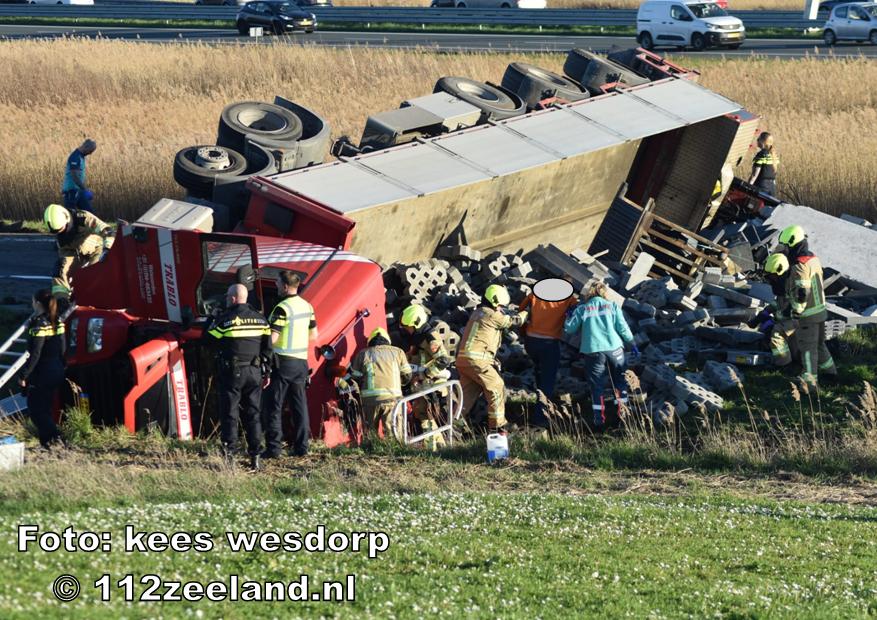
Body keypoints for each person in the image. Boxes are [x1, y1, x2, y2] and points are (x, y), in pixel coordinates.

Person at [203, 283, 271, 469]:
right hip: (255, 372)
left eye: (227, 298)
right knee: (253, 414)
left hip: (232, 373)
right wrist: (267, 370)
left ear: (233, 298)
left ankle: (230, 457)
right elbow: (268, 348)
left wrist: (212, 317)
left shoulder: (226, 320)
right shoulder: (261, 319)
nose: (226, 300)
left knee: (230, 414)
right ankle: (255, 457)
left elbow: (207, 340)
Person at [564, 280, 636, 430]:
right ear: (604, 292)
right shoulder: (612, 306)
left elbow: (569, 330)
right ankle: (623, 417)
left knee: (596, 385)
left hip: (593, 351)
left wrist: (568, 317)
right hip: (615, 349)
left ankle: (599, 420)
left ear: (589, 293)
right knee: (620, 382)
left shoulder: (582, 309)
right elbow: (623, 328)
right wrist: (632, 343)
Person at [456, 285, 528, 432]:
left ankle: (451, 424)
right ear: (495, 302)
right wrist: (526, 313)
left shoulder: (478, 312)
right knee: (496, 385)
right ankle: (498, 425)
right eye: (501, 306)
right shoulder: (490, 314)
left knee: (467, 394)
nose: (501, 309)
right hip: (476, 360)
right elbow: (512, 321)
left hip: (465, 360)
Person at [262, 270, 317, 458]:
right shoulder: (307, 307)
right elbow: (313, 335)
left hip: (283, 362)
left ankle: (274, 449)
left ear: (285, 286)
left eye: (277, 283)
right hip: (301, 362)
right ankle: (302, 448)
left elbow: (273, 338)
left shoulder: (281, 309)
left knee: (274, 406)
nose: (276, 286)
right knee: (299, 406)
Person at [777, 224, 838, 386]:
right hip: (820, 310)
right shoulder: (813, 259)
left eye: (786, 246)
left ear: (793, 243)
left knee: (808, 349)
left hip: (807, 315)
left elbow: (802, 292)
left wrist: (795, 312)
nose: (784, 250)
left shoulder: (799, 265)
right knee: (819, 344)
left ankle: (810, 381)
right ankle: (830, 373)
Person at [518, 287, 578, 429]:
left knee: (539, 372)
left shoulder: (536, 293)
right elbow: (576, 312)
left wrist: (523, 333)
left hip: (531, 341)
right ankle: (541, 417)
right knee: (548, 379)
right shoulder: (569, 298)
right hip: (549, 343)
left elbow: (521, 310)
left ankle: (539, 403)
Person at [399, 304, 454, 449]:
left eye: (408, 326)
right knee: (423, 415)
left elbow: (443, 360)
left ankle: (433, 449)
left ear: (416, 324)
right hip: (423, 385)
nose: (406, 329)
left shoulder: (430, 337)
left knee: (426, 414)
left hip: (432, 383)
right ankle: (438, 446)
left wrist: (424, 374)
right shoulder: (418, 339)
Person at [17, 289, 65, 449]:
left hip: (42, 372)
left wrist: (24, 375)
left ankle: (58, 440)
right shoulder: (58, 320)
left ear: (37, 304)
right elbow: (63, 348)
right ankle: (46, 444)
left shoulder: (38, 324)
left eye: (32, 301)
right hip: (56, 369)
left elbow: (35, 353)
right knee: (46, 408)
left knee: (36, 411)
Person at [349, 327, 412, 441]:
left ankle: (371, 452)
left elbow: (354, 378)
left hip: (370, 401)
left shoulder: (363, 354)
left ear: (370, 341)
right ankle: (396, 454)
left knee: (370, 434)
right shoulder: (398, 352)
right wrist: (399, 384)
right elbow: (407, 375)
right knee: (394, 434)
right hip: (393, 400)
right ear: (388, 341)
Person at [43, 203, 113, 299]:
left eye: (62, 229)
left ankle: (99, 299)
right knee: (59, 271)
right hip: (72, 252)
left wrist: (107, 249)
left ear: (67, 218)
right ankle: (62, 302)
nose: (61, 233)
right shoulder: (60, 235)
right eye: (56, 232)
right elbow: (63, 254)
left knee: (95, 275)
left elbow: (107, 231)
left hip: (96, 249)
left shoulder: (83, 217)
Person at [759, 253, 799, 368]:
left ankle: (784, 365)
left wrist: (774, 322)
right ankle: (792, 358)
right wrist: (765, 312)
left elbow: (792, 309)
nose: (770, 279)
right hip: (793, 320)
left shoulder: (794, 285)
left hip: (802, 319)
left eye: (771, 276)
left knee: (776, 332)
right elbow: (779, 302)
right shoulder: (783, 283)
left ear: (780, 271)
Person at [62, 139, 97, 213]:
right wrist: (85, 189)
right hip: (71, 191)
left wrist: (83, 190)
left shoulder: (81, 156)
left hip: (78, 190)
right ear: (85, 146)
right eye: (90, 151)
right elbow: (75, 176)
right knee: (71, 215)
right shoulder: (76, 157)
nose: (90, 153)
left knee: (89, 213)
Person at [748, 132, 779, 197]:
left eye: (759, 138)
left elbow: (754, 175)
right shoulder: (773, 154)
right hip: (772, 187)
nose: (757, 140)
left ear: (763, 141)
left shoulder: (761, 154)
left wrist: (747, 187)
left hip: (762, 185)